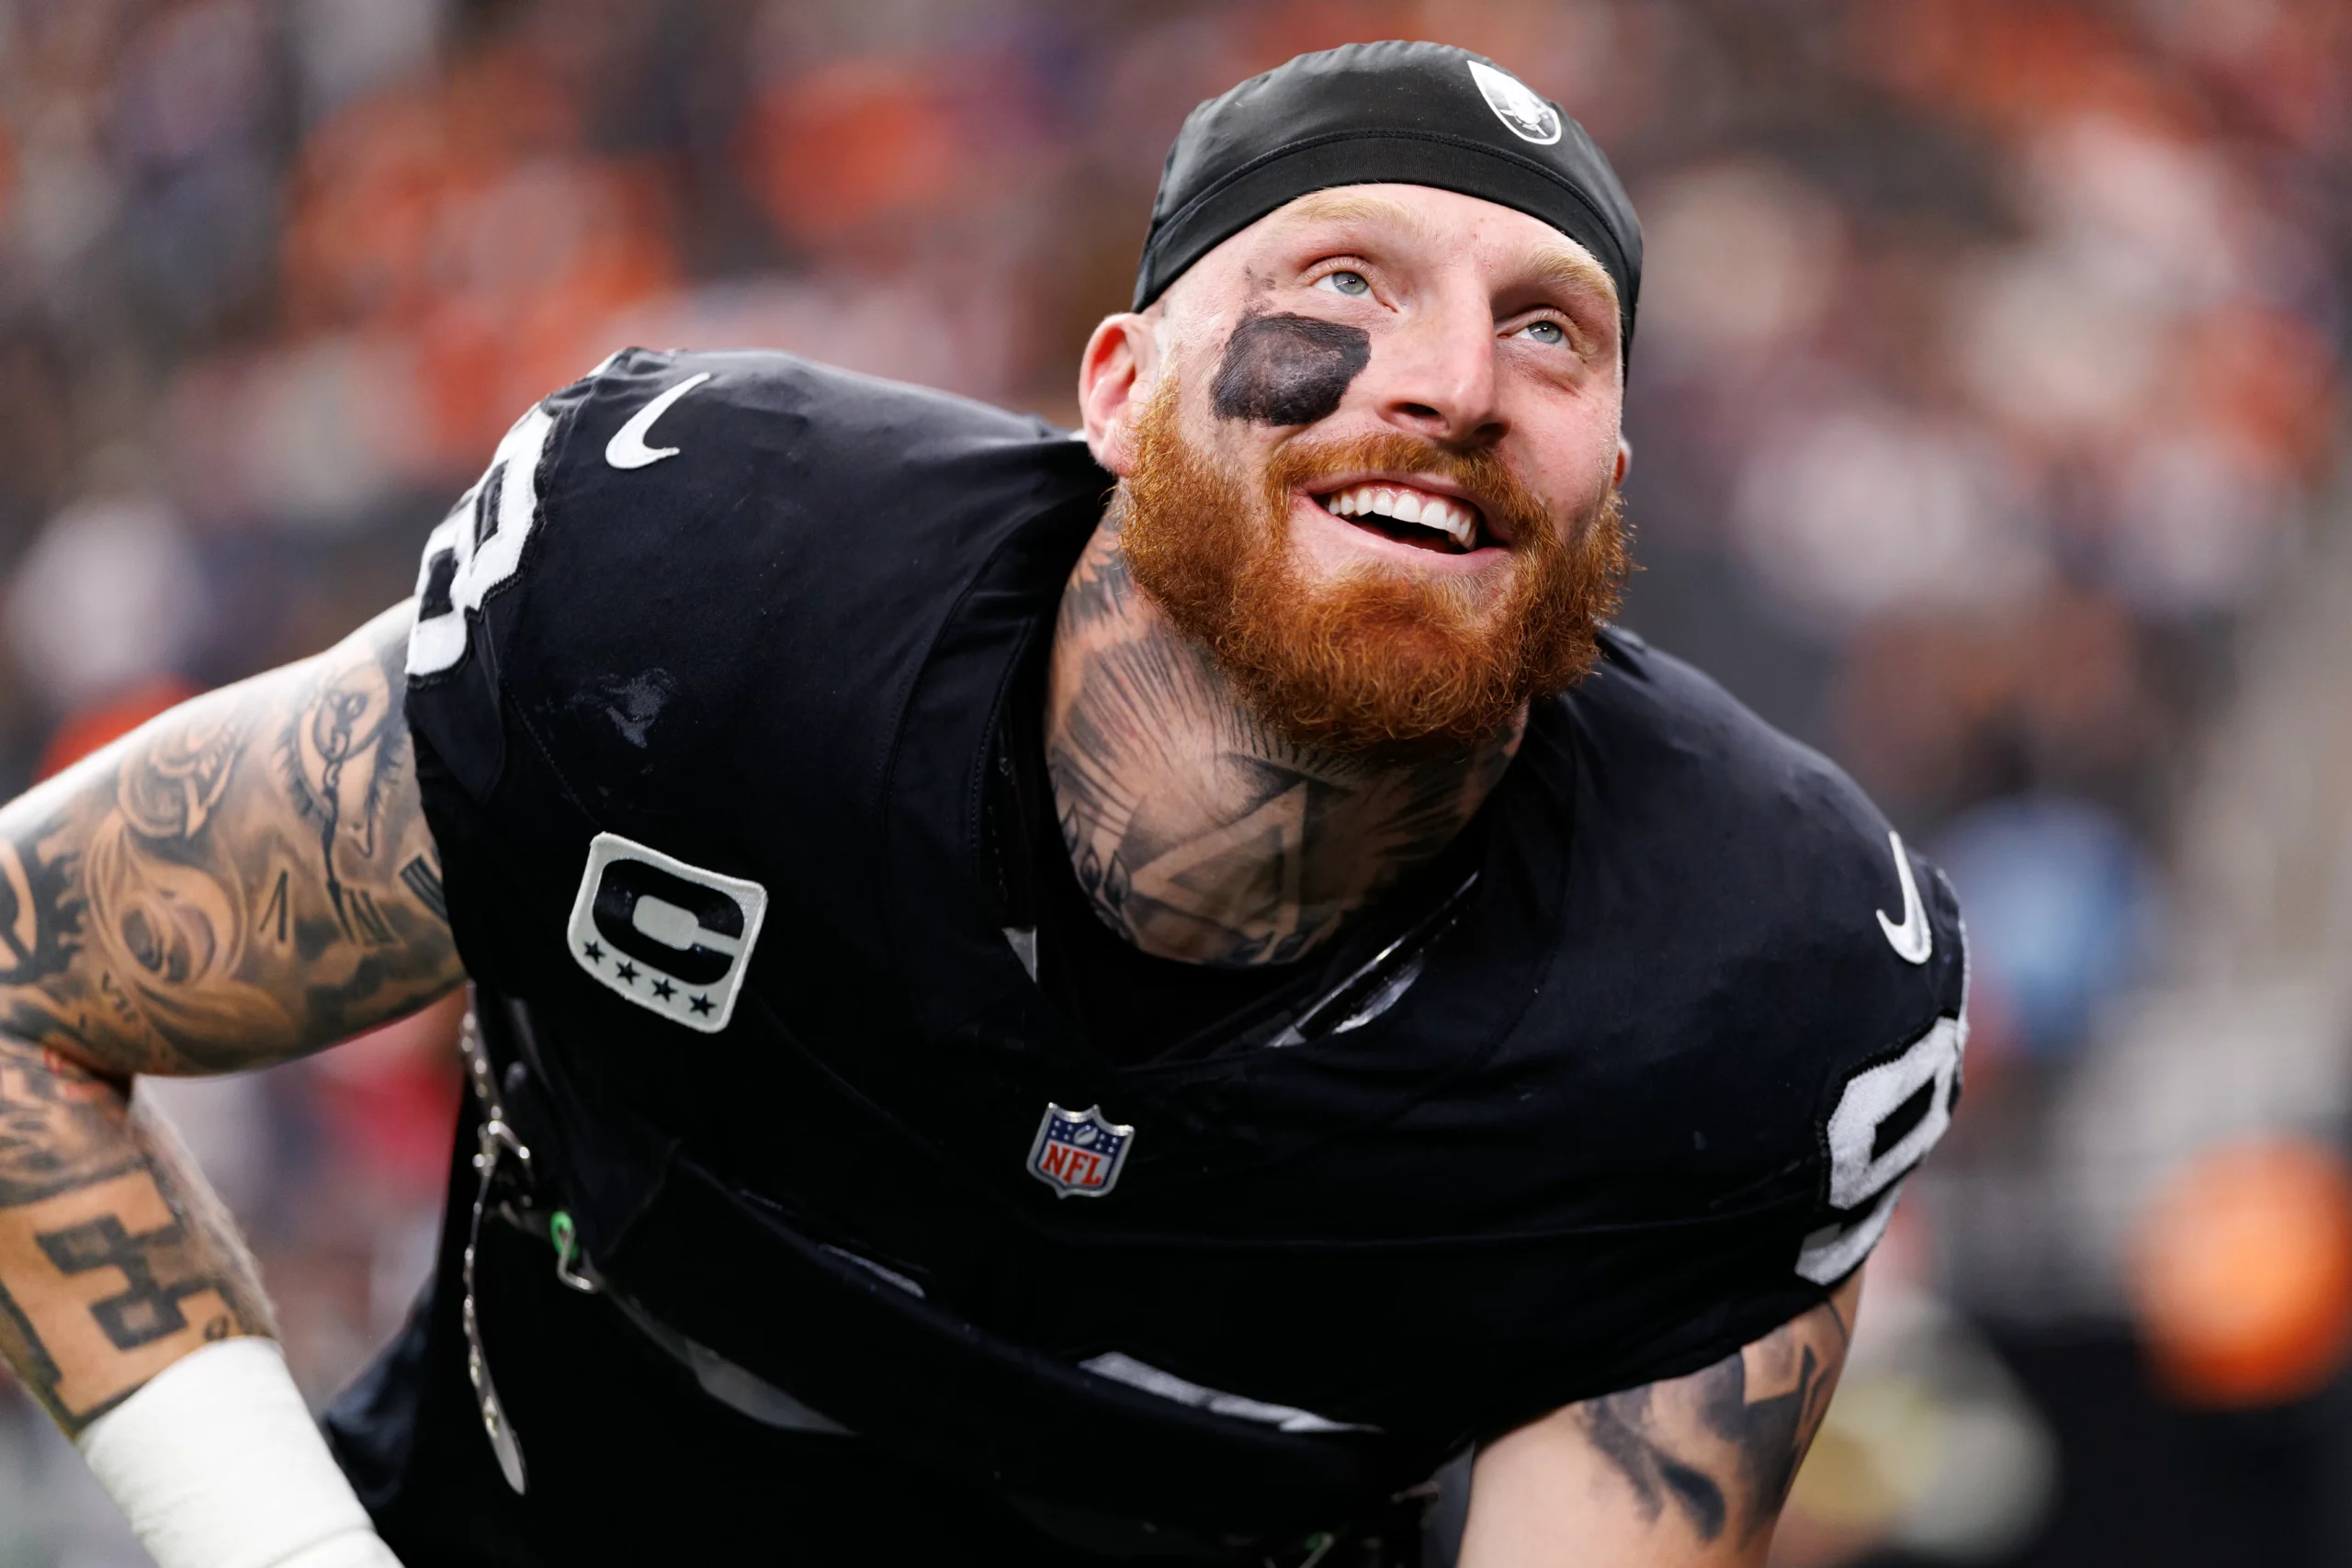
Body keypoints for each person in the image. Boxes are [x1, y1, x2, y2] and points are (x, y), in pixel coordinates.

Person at [0, 40, 1965, 1568]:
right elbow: (24, 990)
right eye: (1345, 279)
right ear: (1115, 390)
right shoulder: (704, 598)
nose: (1456, 380)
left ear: (1607, 486)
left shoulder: (1747, 987)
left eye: (1550, 329)